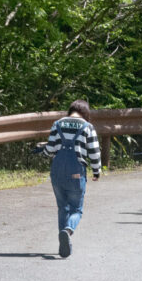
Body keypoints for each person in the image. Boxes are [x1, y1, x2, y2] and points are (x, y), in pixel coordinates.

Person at [43, 99, 101, 258]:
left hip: (57, 173)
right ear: (85, 113)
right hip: (76, 173)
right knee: (76, 209)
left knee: (63, 207)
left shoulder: (57, 124)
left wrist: (43, 151)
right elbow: (94, 152)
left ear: (71, 110)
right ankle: (67, 231)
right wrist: (96, 171)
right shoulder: (87, 127)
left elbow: (50, 149)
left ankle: (63, 242)